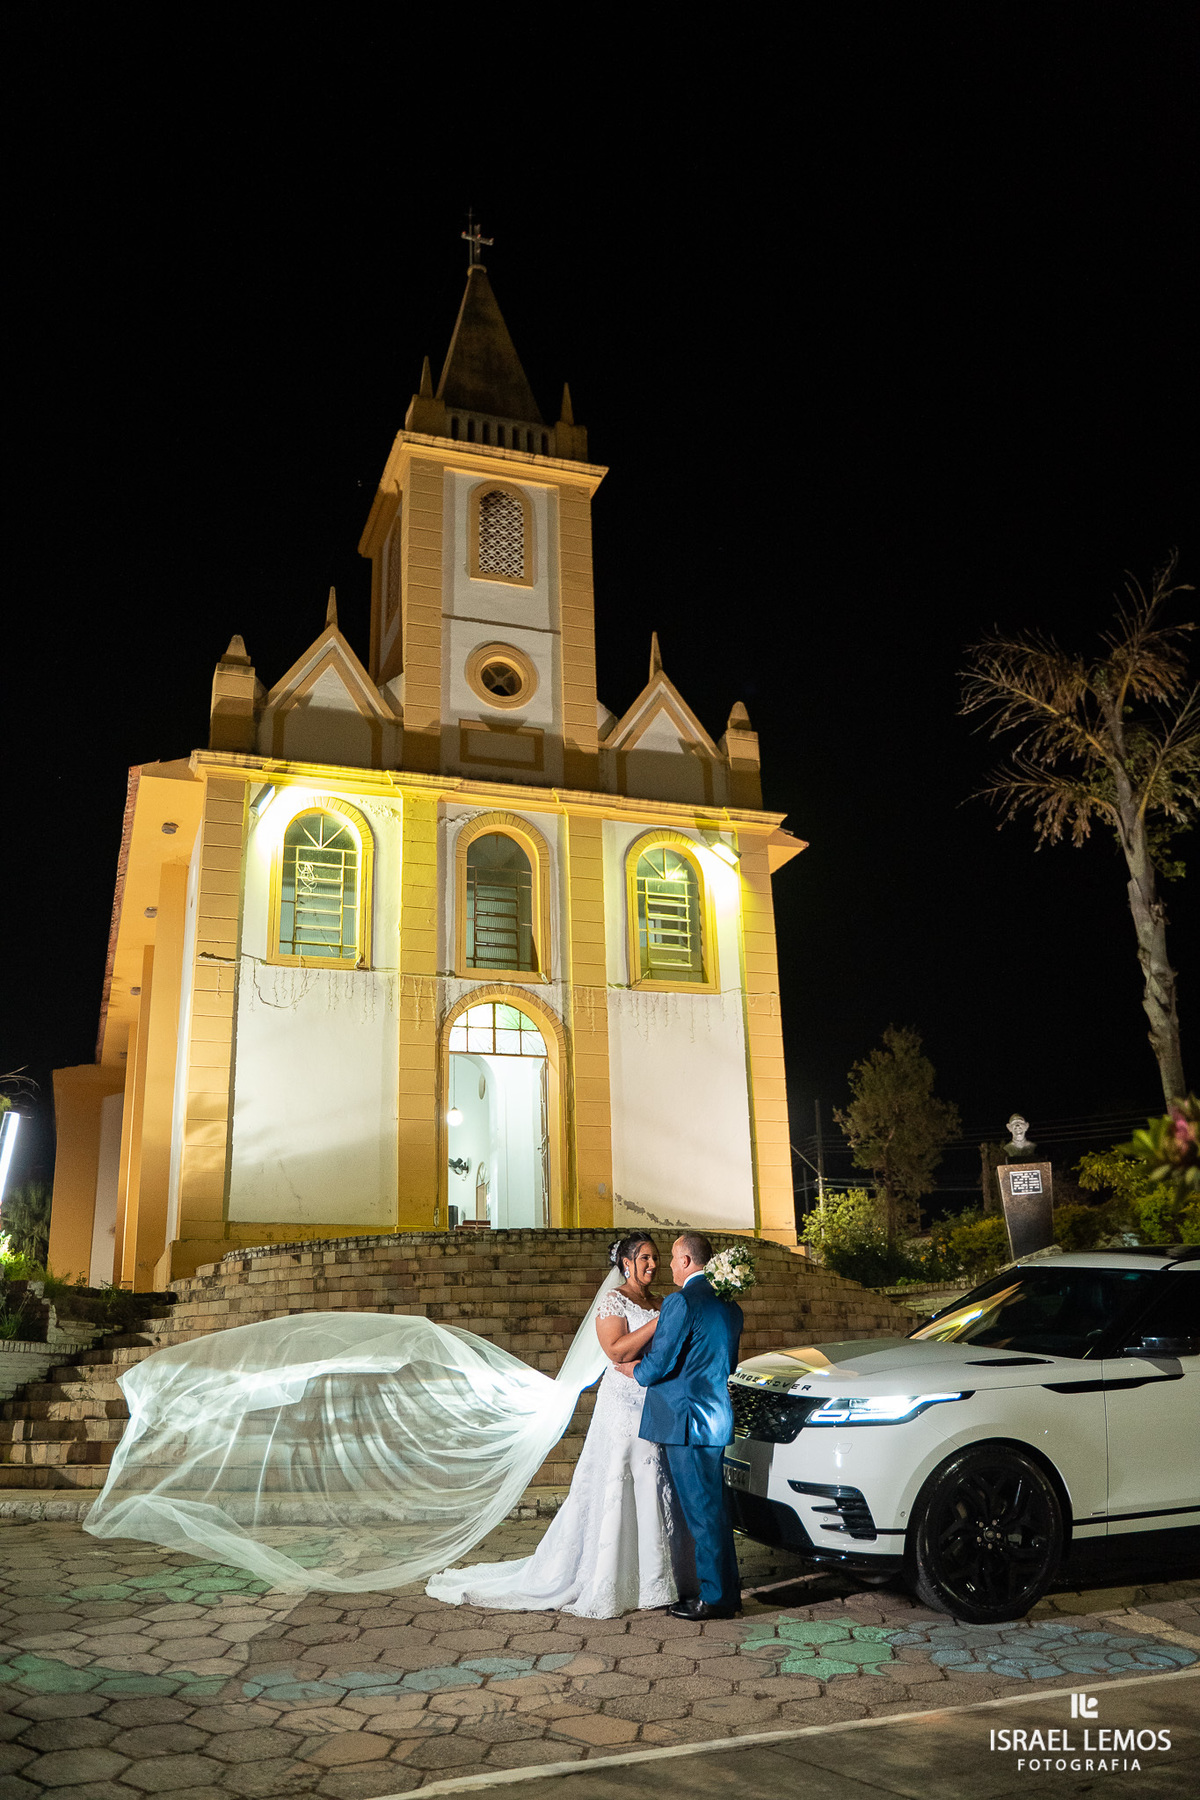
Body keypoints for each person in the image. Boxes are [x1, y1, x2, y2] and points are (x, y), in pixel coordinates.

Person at [425, 1233, 678, 1617]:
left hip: (654, 1397)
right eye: (645, 1258)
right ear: (626, 1262)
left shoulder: (661, 1301)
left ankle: (656, 1577)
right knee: (621, 1477)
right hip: (623, 1402)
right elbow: (615, 1350)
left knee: (653, 1479)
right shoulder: (616, 1301)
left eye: (656, 1258)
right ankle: (609, 1576)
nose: (652, 1265)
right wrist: (660, 1323)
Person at [614, 1231, 743, 1619]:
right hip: (715, 1418)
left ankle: (715, 1599)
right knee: (714, 1510)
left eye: (672, 1258)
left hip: (687, 1423)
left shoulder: (681, 1302)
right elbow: (729, 1364)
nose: (668, 1265)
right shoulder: (731, 1305)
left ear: (687, 1261)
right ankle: (725, 1592)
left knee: (701, 1514)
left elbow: (662, 1361)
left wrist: (634, 1369)